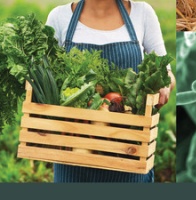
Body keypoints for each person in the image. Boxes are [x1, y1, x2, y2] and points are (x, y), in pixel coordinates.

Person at [45, 0, 175, 182]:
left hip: (129, 151)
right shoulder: (59, 17)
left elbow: (166, 70)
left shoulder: (142, 13)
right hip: (74, 153)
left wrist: (164, 83)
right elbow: (44, 73)